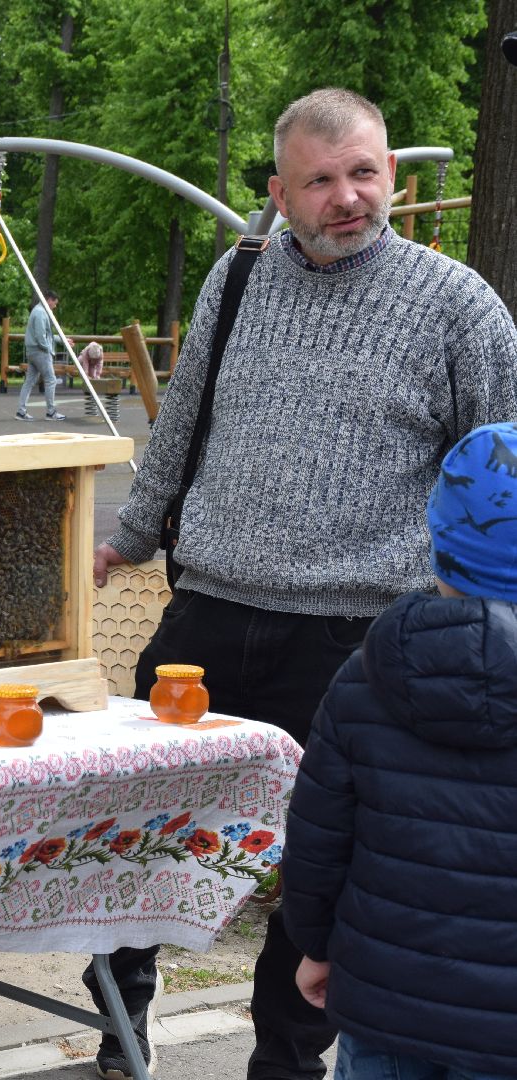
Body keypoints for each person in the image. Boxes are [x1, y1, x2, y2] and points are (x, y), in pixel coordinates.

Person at [85, 88, 517, 1080]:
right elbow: (184, 419)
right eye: (320, 181)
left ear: (393, 178)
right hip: (207, 615)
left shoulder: (459, 307)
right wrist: (135, 535)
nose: (347, 197)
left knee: (318, 872)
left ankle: (286, 1062)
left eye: (364, 173)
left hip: (356, 642)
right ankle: (123, 1016)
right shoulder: (235, 283)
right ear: (280, 193)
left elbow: (501, 461)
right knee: (145, 836)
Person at [282, 421, 517, 1080]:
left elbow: (318, 839)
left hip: (386, 1006)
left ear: (438, 534)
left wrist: (317, 946)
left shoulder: (369, 675)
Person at [18, 290, 68, 421]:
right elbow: (41, 337)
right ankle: (51, 412)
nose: (55, 306)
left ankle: (21, 412)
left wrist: (63, 340)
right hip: (40, 352)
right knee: (51, 380)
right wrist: (49, 350)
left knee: (29, 381)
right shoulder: (40, 313)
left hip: (32, 351)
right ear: (48, 300)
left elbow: (47, 335)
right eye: (54, 303)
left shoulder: (38, 310)